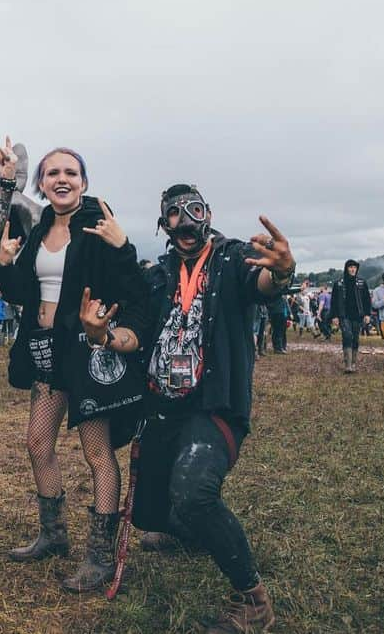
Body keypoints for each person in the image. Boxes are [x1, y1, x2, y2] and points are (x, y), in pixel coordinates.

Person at [134, 184, 293, 633]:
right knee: (151, 512)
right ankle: (189, 530)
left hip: (214, 403)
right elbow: (136, 323)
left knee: (193, 491)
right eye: (174, 215)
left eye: (194, 211)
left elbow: (260, 283)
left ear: (208, 214)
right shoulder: (160, 271)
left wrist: (280, 273)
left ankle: (254, 600)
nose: (185, 222)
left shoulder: (231, 257)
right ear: (164, 223)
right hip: (164, 404)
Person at [0, 147, 150, 593]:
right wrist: (5, 265)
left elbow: (132, 287)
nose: (61, 179)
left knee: (97, 453)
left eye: (71, 172)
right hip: (47, 352)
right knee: (37, 442)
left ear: (83, 181)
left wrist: (124, 246)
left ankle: (100, 555)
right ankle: (53, 533)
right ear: (41, 183)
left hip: (85, 352)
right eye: (52, 173)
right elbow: (23, 291)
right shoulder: (41, 225)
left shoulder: (97, 221)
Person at [330, 260, 372, 373]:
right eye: (350, 267)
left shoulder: (362, 282)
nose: (353, 269)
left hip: (358, 315)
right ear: (346, 268)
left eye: (355, 267)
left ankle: (353, 363)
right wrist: (334, 316)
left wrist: (368, 314)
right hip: (344, 315)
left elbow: (367, 300)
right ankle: (347, 365)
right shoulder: (338, 283)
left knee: (355, 338)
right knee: (347, 336)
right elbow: (333, 301)